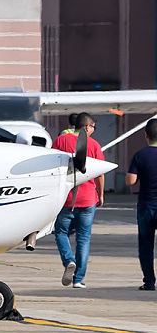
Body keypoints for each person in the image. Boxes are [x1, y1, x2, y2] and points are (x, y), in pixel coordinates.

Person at [51, 113, 104, 289]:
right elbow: (99, 173)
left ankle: (68, 261)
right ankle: (78, 279)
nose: (94, 131)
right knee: (83, 238)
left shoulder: (61, 140)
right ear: (87, 127)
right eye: (93, 127)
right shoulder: (95, 145)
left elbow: (52, 164)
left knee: (60, 232)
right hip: (88, 197)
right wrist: (101, 194)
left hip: (66, 197)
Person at [126, 119, 157, 291]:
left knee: (146, 245)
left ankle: (149, 281)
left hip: (146, 206)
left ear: (146, 135)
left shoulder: (140, 155)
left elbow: (130, 181)